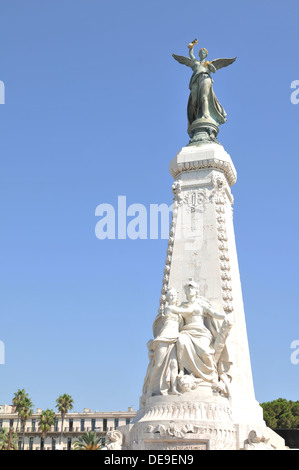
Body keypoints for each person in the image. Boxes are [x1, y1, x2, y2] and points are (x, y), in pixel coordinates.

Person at [175, 281, 226, 384]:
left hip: (201, 332)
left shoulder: (201, 304)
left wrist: (226, 317)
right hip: (187, 331)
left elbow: (214, 313)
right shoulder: (182, 306)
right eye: (188, 288)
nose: (189, 290)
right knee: (180, 342)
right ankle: (181, 369)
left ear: (196, 290)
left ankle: (211, 374)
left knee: (204, 352)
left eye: (192, 288)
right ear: (185, 291)